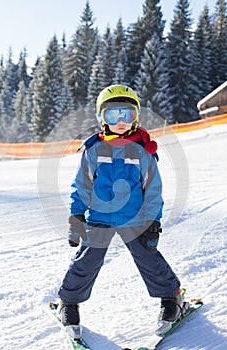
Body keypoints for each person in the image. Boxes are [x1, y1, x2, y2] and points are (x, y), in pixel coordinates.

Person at [58, 84, 183, 336]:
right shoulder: (93, 149)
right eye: (112, 115)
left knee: (149, 258)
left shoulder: (142, 152)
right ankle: (68, 302)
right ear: (101, 118)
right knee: (87, 260)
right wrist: (76, 215)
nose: (121, 121)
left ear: (135, 117)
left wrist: (152, 221)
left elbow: (153, 189)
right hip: (100, 218)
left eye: (127, 114)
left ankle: (172, 298)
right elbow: (82, 185)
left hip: (135, 218)